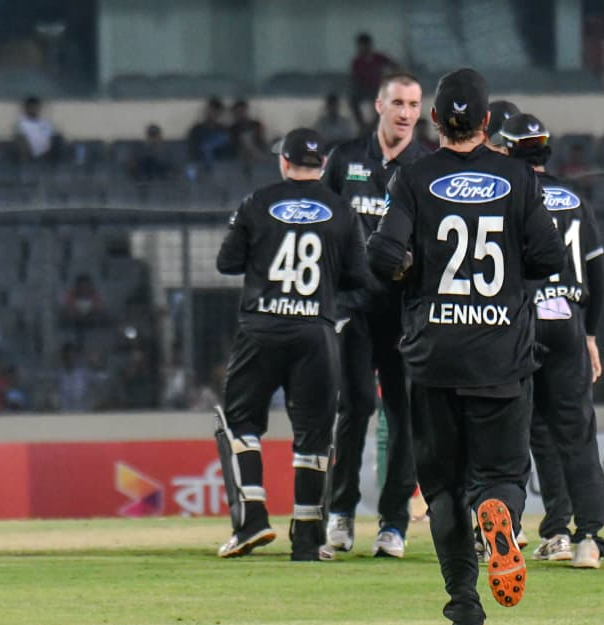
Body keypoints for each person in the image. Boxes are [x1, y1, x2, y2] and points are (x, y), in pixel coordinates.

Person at [367, 68, 565, 624]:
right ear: (486, 121)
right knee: (501, 475)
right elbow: (550, 258)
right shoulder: (520, 179)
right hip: (501, 355)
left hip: (434, 357)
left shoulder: (413, 178)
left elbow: (381, 257)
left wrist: (413, 270)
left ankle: (462, 600)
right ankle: (496, 511)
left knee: (443, 489)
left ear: (433, 120)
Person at [213, 127, 367, 562]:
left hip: (261, 326)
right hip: (315, 332)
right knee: (314, 433)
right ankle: (308, 539)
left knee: (241, 421)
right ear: (323, 166)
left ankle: (252, 521)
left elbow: (227, 262)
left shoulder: (256, 203)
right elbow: (358, 276)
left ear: (284, 162)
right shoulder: (341, 211)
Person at [322, 72, 428, 559]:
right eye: (399, 103)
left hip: (404, 315)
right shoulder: (344, 160)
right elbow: (319, 228)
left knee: (404, 412)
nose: (407, 113)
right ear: (378, 106)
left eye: (414, 104)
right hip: (353, 311)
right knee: (357, 406)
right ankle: (340, 513)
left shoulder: (426, 165)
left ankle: (394, 524)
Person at [500, 113, 604, 568]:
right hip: (568, 319)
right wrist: (590, 334)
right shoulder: (573, 199)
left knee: (524, 429)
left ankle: (545, 529)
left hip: (521, 321)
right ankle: (586, 538)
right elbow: (598, 274)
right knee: (576, 432)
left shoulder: (507, 194)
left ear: (508, 150)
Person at [348, 33, 396, 133]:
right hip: (363, 88)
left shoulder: (377, 57)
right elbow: (355, 79)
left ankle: (374, 125)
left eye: (365, 46)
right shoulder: (357, 61)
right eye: (361, 46)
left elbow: (394, 65)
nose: (363, 49)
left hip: (376, 88)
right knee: (353, 100)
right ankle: (362, 125)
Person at [15, 96, 63, 165]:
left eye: (35, 107)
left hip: (47, 156)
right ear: (26, 108)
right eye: (31, 107)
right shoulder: (21, 125)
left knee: (58, 138)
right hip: (29, 157)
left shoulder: (46, 124)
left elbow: (51, 138)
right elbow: (21, 144)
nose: (33, 109)